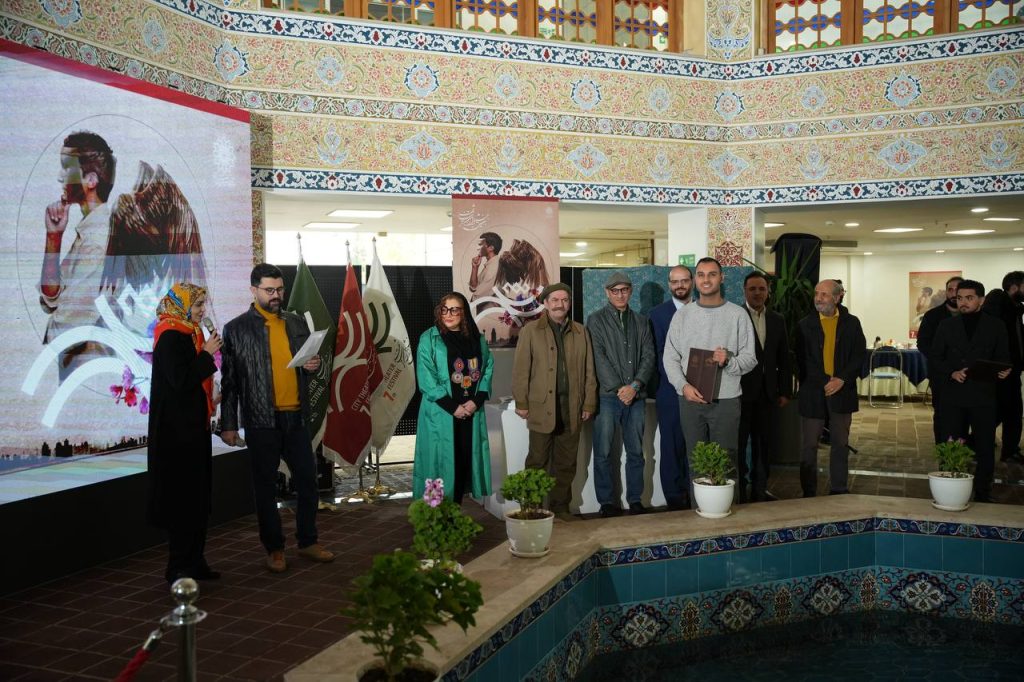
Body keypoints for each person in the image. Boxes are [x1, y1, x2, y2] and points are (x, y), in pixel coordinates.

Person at [220, 263, 335, 573]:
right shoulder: (235, 329)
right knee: (265, 488)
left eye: (280, 289)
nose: (276, 295)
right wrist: (228, 425)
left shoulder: (296, 323)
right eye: (269, 290)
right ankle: (274, 548)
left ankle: (308, 541)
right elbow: (229, 383)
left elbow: (310, 367)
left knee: (308, 482)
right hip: (260, 421)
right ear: (253, 290)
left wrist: (312, 367)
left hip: (296, 417)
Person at [146, 283, 221, 584]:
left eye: (203, 304)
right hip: (175, 436)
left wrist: (210, 397)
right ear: (181, 305)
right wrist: (207, 355)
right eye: (198, 305)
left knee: (197, 499)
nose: (203, 311)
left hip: (194, 430)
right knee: (181, 502)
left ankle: (196, 560)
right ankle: (178, 566)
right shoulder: (169, 336)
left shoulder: (191, 333)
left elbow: (192, 382)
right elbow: (180, 380)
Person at [664, 258, 756, 502]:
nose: (706, 279)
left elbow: (750, 359)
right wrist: (683, 386)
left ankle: (728, 513)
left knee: (726, 460)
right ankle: (700, 512)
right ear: (695, 280)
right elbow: (670, 357)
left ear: (722, 278)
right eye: (701, 275)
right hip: (690, 399)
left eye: (712, 274)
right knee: (696, 461)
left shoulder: (738, 315)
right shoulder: (683, 316)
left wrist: (729, 361)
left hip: (726, 400)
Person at [512, 283, 597, 520]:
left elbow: (590, 370)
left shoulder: (581, 331)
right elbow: (521, 370)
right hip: (541, 407)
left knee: (566, 463)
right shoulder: (531, 331)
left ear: (569, 303)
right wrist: (521, 402)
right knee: (537, 461)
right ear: (546, 303)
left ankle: (560, 508)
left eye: (565, 300)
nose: (560, 304)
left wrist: (588, 403)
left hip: (572, 407)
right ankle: (532, 509)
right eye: (555, 300)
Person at [39, 132, 116, 378]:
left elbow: (67, 329)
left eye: (67, 168)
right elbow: (51, 299)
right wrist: (54, 237)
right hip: (75, 371)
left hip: (85, 375)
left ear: (90, 180)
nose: (60, 176)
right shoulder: (88, 230)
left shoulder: (97, 240)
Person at [933, 279, 1012, 502]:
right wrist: (951, 372)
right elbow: (935, 357)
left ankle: (983, 490)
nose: (963, 302)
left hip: (983, 396)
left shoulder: (996, 326)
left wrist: (1005, 370)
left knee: (985, 445)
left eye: (969, 298)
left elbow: (1004, 357)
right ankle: (948, 487)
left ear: (981, 300)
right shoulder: (946, 326)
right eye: (960, 298)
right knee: (951, 443)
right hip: (953, 396)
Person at [413, 291, 494, 502]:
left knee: (462, 463)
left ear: (464, 312)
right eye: (444, 309)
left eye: (454, 310)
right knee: (436, 464)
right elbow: (426, 377)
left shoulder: (478, 339)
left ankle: (454, 510)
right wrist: (453, 407)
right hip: (441, 413)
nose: (448, 314)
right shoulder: (429, 338)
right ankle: (433, 513)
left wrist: (476, 401)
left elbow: (487, 368)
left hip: (470, 414)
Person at [587, 271, 656, 517]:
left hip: (636, 396)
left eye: (624, 290)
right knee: (603, 452)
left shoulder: (641, 321)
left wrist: (635, 386)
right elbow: (598, 357)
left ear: (630, 291)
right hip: (608, 396)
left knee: (636, 452)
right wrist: (620, 388)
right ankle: (606, 502)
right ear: (607, 293)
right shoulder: (595, 320)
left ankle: (635, 500)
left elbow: (649, 356)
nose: (620, 295)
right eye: (615, 291)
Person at [795, 280, 866, 497]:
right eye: (817, 293)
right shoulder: (804, 325)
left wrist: (842, 379)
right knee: (809, 445)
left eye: (824, 294)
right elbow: (802, 361)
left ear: (837, 297)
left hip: (842, 391)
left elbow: (859, 355)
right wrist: (826, 381)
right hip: (813, 392)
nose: (818, 298)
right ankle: (809, 492)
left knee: (840, 443)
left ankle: (839, 489)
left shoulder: (852, 323)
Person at [738, 272, 791, 502]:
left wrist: (785, 391)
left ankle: (760, 489)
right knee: (739, 444)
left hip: (768, 395)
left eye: (761, 289)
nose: (757, 293)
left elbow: (784, 358)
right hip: (740, 393)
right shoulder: (736, 316)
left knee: (763, 444)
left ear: (768, 292)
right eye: (752, 289)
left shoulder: (777, 319)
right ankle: (740, 490)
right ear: (744, 291)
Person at [649, 265, 693, 510]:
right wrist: (680, 382)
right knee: (671, 445)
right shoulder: (657, 314)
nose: (680, 286)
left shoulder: (704, 309)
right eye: (675, 282)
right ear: (669, 285)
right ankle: (674, 499)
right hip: (669, 390)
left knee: (696, 443)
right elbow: (657, 354)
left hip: (702, 389)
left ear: (692, 282)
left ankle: (695, 492)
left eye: (684, 280)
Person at [982, 271, 1024, 463]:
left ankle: (1009, 449)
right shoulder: (999, 301)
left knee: (1012, 411)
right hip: (1000, 369)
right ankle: (978, 442)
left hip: (1012, 369)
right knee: (1003, 411)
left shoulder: (1015, 308)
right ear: (1014, 287)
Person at [917, 275, 965, 443]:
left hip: (967, 376)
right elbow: (923, 343)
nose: (953, 293)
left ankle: (962, 450)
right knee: (942, 416)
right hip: (941, 376)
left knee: (964, 416)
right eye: (950, 290)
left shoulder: (973, 316)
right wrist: (943, 364)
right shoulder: (933, 316)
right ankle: (943, 452)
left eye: (957, 290)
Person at [468, 232, 502, 304]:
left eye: (481, 245)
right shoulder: (490, 264)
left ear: (491, 248)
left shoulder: (493, 267)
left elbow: (477, 297)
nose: (478, 248)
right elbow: (473, 288)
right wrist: (475, 267)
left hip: (489, 310)